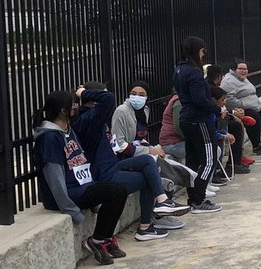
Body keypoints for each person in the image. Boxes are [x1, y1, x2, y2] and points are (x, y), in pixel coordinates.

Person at [74, 84, 190, 241]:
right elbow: (108, 99)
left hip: (111, 165)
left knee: (148, 162)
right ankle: (146, 225)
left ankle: (162, 202)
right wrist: (83, 92)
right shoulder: (90, 119)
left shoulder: (95, 116)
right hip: (103, 173)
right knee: (149, 176)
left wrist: (149, 149)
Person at [31, 90, 129, 266]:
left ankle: (105, 238)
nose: (76, 107)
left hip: (80, 187)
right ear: (64, 110)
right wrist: (71, 210)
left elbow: (80, 163)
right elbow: (55, 178)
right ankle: (97, 241)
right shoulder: (49, 138)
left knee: (119, 189)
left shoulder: (68, 131)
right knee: (115, 191)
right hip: (67, 195)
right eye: (73, 105)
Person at [111, 83, 188, 231]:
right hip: (121, 159)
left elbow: (140, 138)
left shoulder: (144, 110)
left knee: (159, 167)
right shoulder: (121, 111)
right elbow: (118, 145)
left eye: (141, 95)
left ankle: (154, 218)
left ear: (147, 97)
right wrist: (148, 151)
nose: (137, 97)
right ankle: (162, 205)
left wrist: (153, 148)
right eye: (134, 93)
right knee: (151, 165)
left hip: (137, 155)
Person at [174, 37, 222, 213]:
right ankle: (198, 199)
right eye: (202, 51)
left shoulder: (179, 70)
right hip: (199, 120)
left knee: (193, 161)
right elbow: (200, 99)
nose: (204, 55)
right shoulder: (194, 73)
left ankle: (193, 198)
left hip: (187, 119)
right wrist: (218, 110)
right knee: (209, 160)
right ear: (197, 51)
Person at [222, 59, 261, 155]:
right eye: (240, 69)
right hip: (238, 109)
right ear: (234, 69)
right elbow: (228, 99)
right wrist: (243, 105)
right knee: (254, 116)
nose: (244, 71)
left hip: (252, 106)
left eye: (245, 69)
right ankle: (256, 146)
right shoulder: (229, 81)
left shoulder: (242, 79)